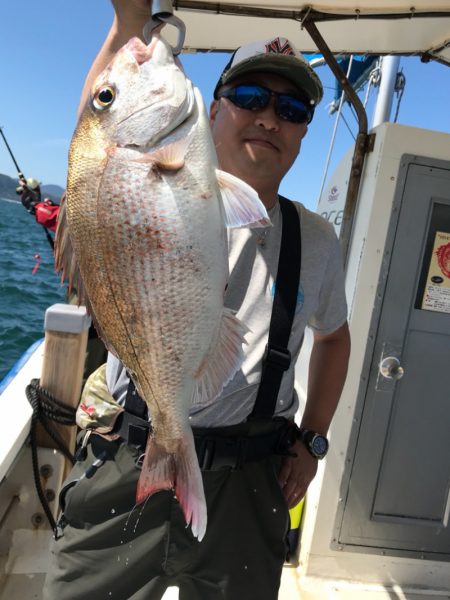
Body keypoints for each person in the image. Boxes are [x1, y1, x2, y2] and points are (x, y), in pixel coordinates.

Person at [44, 2, 350, 599]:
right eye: (251, 97)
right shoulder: (139, 170)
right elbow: (98, 134)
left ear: (303, 131)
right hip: (128, 454)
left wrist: (313, 441)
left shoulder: (316, 240)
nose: (269, 118)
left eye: (291, 109)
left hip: (251, 479)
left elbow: (334, 338)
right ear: (213, 110)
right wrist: (126, 26)